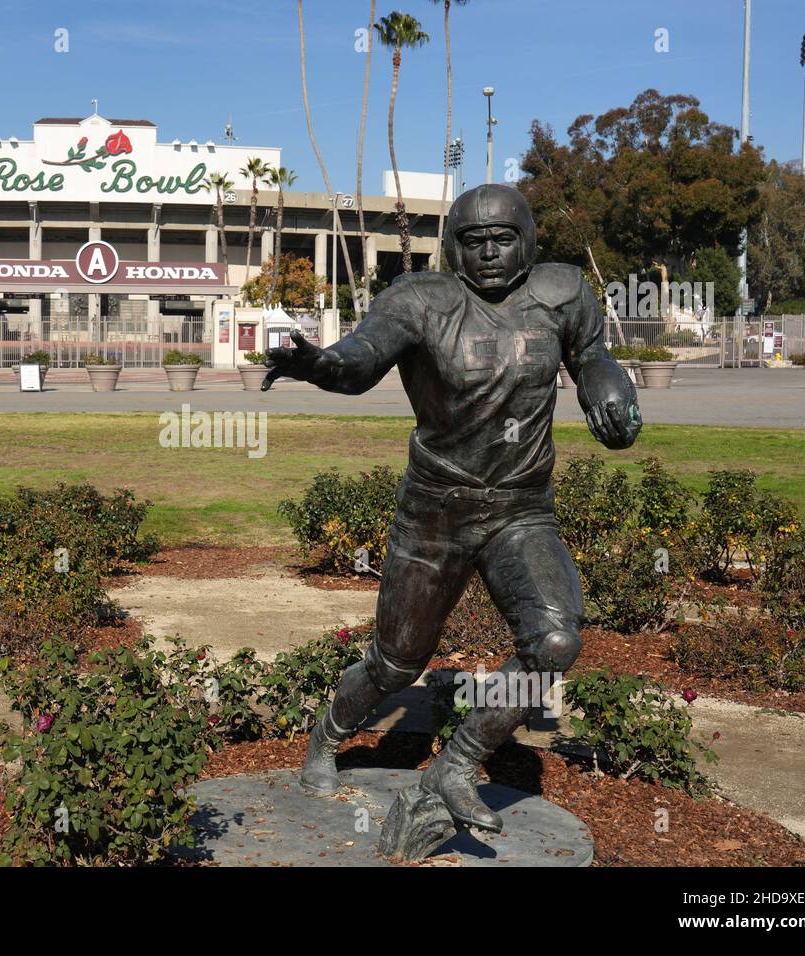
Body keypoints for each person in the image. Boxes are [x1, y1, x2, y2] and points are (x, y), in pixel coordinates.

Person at [261, 184, 641, 833]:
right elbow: (361, 358)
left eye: (503, 238)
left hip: (521, 511)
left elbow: (593, 356)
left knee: (553, 639)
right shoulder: (421, 301)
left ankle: (459, 762)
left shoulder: (562, 292)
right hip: (435, 513)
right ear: (452, 246)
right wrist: (321, 363)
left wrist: (612, 395)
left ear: (528, 239)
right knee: (395, 663)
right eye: (473, 240)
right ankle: (326, 736)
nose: (490, 251)